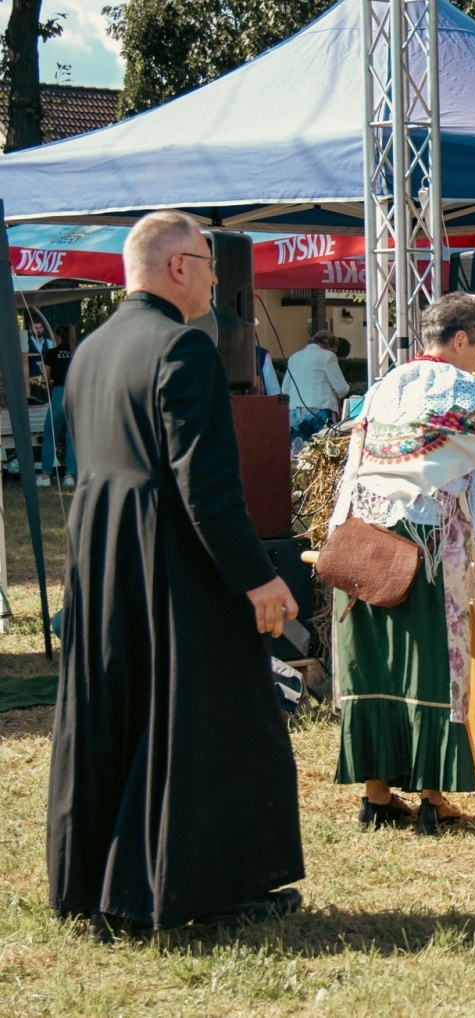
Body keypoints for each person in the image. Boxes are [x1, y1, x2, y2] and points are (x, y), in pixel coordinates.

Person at [47, 210, 304, 936]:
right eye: (210, 263)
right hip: (170, 557)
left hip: (102, 553)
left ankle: (98, 884)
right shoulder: (184, 348)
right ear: (179, 266)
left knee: (117, 712)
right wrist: (258, 577)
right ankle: (203, 890)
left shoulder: (92, 348)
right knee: (207, 716)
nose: (217, 280)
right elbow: (205, 485)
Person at [328, 292, 475, 835]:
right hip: (428, 539)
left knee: (376, 659)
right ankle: (433, 797)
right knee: (432, 660)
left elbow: (355, 462)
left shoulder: (385, 385)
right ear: (459, 339)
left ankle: (376, 796)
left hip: (364, 535)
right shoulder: (467, 391)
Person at [284, 329, 350, 446]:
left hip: (295, 411)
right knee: (322, 449)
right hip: (320, 409)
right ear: (328, 346)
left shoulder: (294, 357)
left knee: (298, 450)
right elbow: (341, 388)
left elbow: (285, 388)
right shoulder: (328, 356)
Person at [39, 323, 76, 487]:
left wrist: (43, 370)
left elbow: (46, 379)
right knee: (71, 437)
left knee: (49, 435)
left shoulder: (52, 353)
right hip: (75, 394)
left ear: (57, 337)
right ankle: (70, 475)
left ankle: (46, 476)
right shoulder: (76, 352)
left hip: (59, 393)